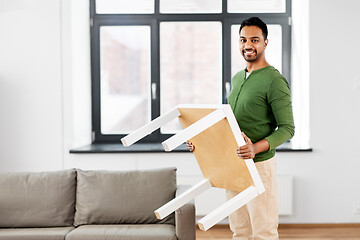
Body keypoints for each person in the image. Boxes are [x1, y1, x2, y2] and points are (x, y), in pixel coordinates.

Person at [186, 17, 294, 240]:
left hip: (260, 167)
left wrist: (255, 148)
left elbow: (287, 129)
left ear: (265, 42)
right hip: (235, 166)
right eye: (243, 39)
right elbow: (230, 124)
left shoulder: (274, 80)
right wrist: (201, 141)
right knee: (239, 230)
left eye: (255, 39)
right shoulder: (237, 78)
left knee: (263, 232)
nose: (248, 45)